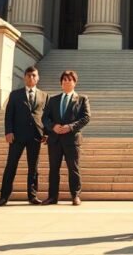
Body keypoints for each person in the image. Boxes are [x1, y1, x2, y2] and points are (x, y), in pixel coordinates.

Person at [0, 65, 48, 206]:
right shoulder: (15, 94)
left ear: (37, 78)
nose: (31, 78)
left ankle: (32, 196)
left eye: (34, 75)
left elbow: (47, 117)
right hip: (17, 136)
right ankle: (4, 196)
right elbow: (9, 115)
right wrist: (8, 131)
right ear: (24, 77)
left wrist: (47, 133)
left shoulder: (44, 96)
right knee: (11, 165)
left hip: (36, 136)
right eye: (28, 75)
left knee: (34, 167)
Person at [42, 70, 90, 205]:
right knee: (53, 169)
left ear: (75, 82)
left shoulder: (81, 99)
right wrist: (53, 127)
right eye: (64, 80)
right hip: (55, 139)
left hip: (72, 139)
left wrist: (70, 127)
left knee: (73, 168)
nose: (66, 82)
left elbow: (86, 117)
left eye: (69, 79)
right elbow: (45, 118)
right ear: (61, 83)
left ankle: (75, 195)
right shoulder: (53, 100)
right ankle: (52, 197)